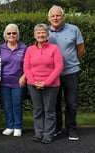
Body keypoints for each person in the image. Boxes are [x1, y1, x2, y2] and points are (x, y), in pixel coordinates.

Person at [47, 5, 85, 141]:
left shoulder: (74, 29)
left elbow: (81, 50)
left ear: (63, 16)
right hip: (52, 74)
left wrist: (70, 62)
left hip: (71, 72)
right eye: (53, 16)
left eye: (58, 15)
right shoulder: (44, 32)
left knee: (71, 102)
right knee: (54, 103)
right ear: (48, 18)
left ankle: (71, 129)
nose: (55, 18)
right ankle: (57, 128)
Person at [23, 23, 63, 144]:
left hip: (51, 85)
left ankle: (48, 134)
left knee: (49, 110)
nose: (41, 35)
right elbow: (26, 67)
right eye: (38, 33)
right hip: (33, 85)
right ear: (34, 35)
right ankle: (39, 133)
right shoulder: (30, 49)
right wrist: (34, 82)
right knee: (38, 110)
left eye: (43, 32)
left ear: (47, 34)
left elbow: (59, 67)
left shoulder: (54, 49)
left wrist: (46, 82)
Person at [0, 24, 27, 137]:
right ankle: (10, 126)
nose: (11, 35)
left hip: (18, 81)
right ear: (5, 35)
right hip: (4, 81)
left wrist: (24, 76)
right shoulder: (0, 48)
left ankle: (18, 126)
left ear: (17, 34)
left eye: (14, 33)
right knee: (6, 104)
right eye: (9, 33)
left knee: (17, 104)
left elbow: (28, 65)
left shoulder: (24, 48)